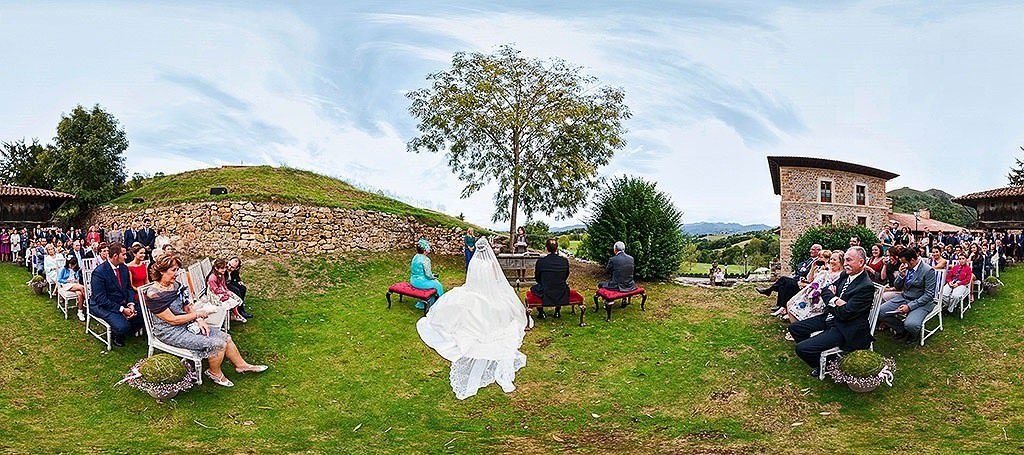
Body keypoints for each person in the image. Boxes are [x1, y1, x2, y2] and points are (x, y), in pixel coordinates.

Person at [416, 238, 529, 400]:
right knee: (499, 308)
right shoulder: (490, 264)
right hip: (486, 295)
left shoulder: (474, 261)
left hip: (472, 291)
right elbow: (496, 281)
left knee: (464, 308)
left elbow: (470, 281)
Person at [143, 254, 267, 387]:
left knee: (226, 337)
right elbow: (172, 320)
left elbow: (187, 306)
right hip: (169, 331)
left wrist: (200, 320)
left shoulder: (175, 285)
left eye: (177, 269)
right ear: (162, 271)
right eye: (173, 270)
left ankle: (242, 365)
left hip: (186, 323)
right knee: (218, 344)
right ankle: (215, 373)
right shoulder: (153, 294)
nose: (177, 273)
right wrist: (198, 315)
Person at [789, 246, 876, 377]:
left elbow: (846, 313)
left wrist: (833, 299)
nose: (845, 263)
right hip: (831, 317)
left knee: (801, 349)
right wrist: (836, 301)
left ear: (861, 262)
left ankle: (825, 365)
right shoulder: (845, 274)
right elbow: (825, 290)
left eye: (849, 260)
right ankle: (825, 360)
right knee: (795, 328)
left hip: (846, 328)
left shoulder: (866, 286)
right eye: (845, 260)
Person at [876, 247, 936, 344]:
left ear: (912, 260)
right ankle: (901, 329)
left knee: (911, 324)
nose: (903, 265)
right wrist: (901, 275)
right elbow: (897, 286)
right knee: (879, 312)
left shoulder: (928, 271)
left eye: (904, 263)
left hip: (921, 302)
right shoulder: (906, 268)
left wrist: (909, 307)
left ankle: (913, 334)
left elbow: (929, 295)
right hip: (904, 297)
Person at [89, 243, 144, 347]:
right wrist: (122, 310)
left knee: (143, 314)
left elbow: (128, 288)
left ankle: (126, 327)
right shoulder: (99, 272)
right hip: (101, 305)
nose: (126, 257)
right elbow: (101, 299)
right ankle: (117, 333)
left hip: (121, 301)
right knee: (122, 326)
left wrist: (131, 304)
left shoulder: (123, 268)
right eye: (123, 254)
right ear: (115, 256)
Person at [757, 244, 822, 315]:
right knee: (782, 286)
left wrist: (802, 274)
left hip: (802, 282)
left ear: (818, 251)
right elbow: (800, 268)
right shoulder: (809, 259)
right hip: (797, 278)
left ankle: (769, 291)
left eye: (812, 249)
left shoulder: (818, 262)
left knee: (783, 279)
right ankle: (781, 306)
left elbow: (807, 273)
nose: (810, 251)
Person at [786, 250, 844, 326]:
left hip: (821, 299)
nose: (832, 261)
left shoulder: (840, 275)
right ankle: (796, 329)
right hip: (809, 294)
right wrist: (813, 268)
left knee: (801, 311)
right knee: (790, 305)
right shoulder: (825, 271)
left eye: (835, 260)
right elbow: (810, 279)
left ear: (841, 262)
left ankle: (799, 330)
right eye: (831, 259)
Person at [531, 238, 570, 319]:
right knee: (560, 286)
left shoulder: (541, 261)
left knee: (534, 288)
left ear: (546, 248)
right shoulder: (564, 261)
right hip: (561, 290)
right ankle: (557, 311)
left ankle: (541, 312)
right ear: (557, 248)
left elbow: (537, 278)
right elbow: (566, 276)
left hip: (546, 290)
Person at [410, 238, 444, 310]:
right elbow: (428, 275)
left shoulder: (415, 256)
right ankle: (438, 305)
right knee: (438, 286)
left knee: (434, 284)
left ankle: (427, 302)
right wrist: (433, 277)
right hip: (421, 282)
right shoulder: (426, 259)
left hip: (413, 280)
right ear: (425, 249)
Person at [208, 258, 245, 323]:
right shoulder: (212, 278)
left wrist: (227, 290)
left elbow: (223, 284)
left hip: (221, 289)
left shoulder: (221, 273)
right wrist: (225, 292)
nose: (225, 270)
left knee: (238, 294)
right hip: (214, 294)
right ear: (216, 268)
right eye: (223, 268)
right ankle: (237, 314)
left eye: (225, 268)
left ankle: (237, 313)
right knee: (231, 298)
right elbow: (215, 290)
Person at [58, 256, 88, 321]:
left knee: (80, 294)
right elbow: (59, 279)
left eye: (74, 265)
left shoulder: (76, 269)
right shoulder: (64, 269)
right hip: (66, 284)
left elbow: (77, 278)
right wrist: (67, 281)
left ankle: (80, 312)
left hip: (74, 284)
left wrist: (76, 280)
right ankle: (89, 304)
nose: (72, 266)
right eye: (71, 264)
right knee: (82, 287)